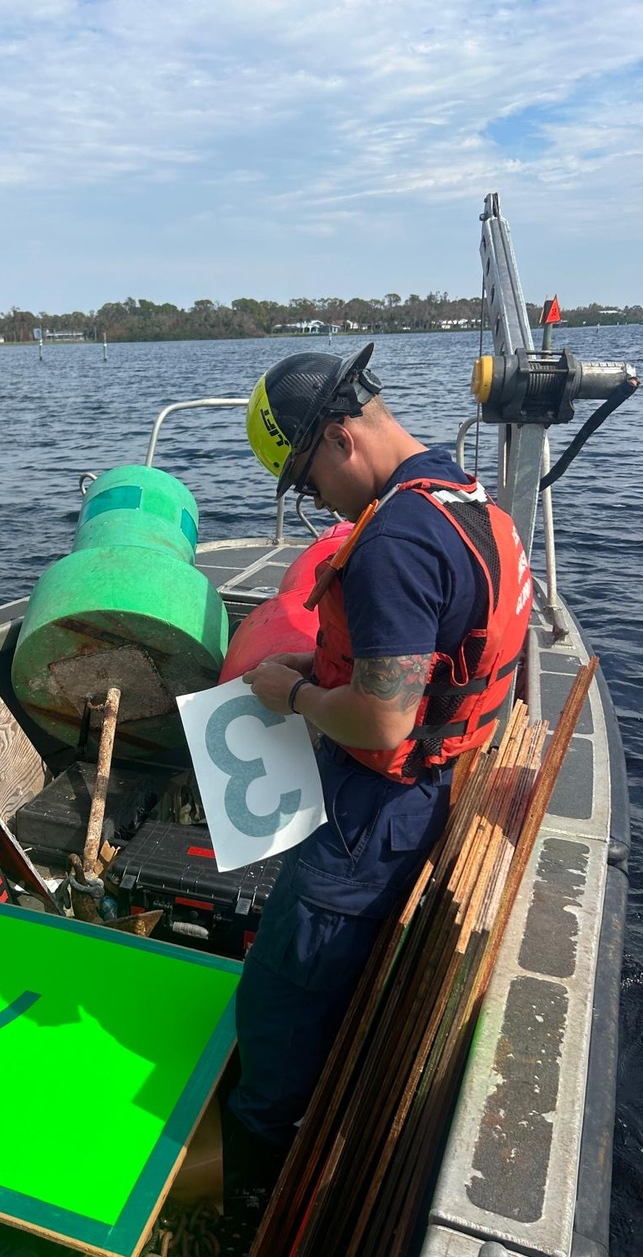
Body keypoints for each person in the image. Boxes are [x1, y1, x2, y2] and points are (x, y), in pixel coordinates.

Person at [224, 344, 532, 1194]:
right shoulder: (456, 491)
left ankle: (255, 1172)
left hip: (377, 812)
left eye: (308, 483)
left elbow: (384, 714)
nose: (319, 503)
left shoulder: (396, 538)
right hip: (427, 786)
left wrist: (290, 694)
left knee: (280, 997)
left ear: (337, 440)